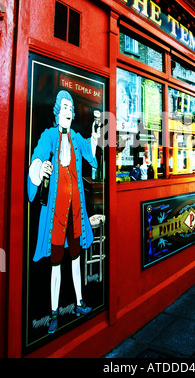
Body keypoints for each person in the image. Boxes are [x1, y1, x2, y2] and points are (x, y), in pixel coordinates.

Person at [27, 90, 100, 334]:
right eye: (65, 108)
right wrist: (41, 168)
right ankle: (54, 313)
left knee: (76, 257)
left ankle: (79, 302)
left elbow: (90, 155)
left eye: (71, 108)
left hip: (76, 213)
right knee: (56, 263)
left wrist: (95, 137)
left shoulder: (76, 138)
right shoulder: (48, 137)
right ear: (58, 112)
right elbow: (36, 159)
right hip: (55, 215)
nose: (68, 112)